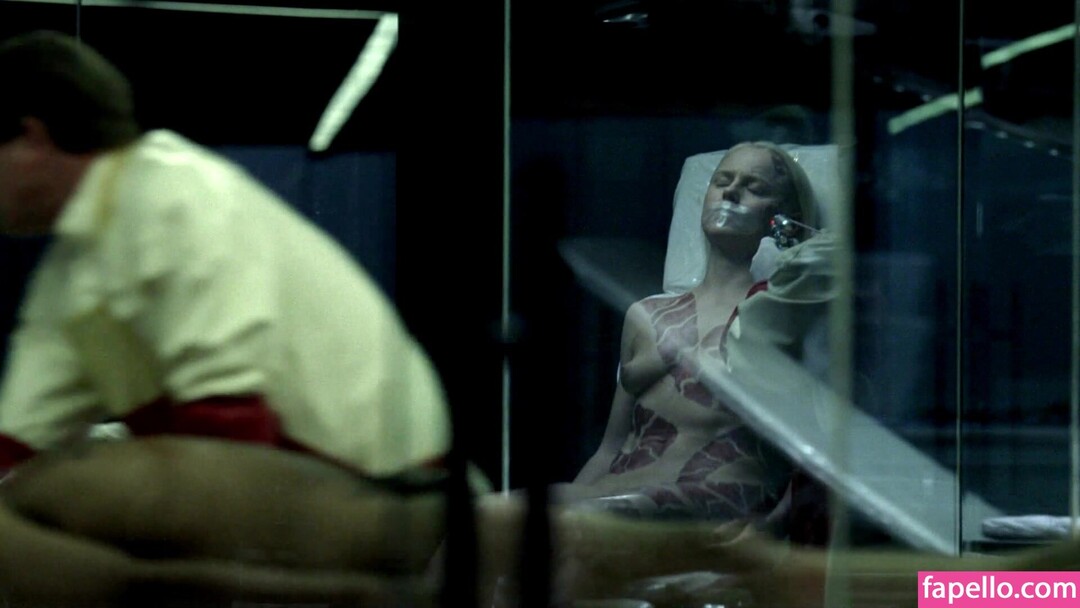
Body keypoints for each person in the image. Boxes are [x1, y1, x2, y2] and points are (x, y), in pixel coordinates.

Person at [0, 30, 449, 478]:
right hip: (285, 476)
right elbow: (20, 436)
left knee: (83, 492)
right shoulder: (73, 267)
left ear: (32, 139)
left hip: (390, 484)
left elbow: (230, 428)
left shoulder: (174, 197)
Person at [560, 142, 820, 530]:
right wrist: (570, 500)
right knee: (489, 517)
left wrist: (772, 531)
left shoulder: (777, 316)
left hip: (714, 502)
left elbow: (813, 453)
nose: (731, 192)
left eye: (754, 187)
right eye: (722, 181)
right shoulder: (646, 315)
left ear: (784, 220)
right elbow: (609, 449)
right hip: (619, 493)